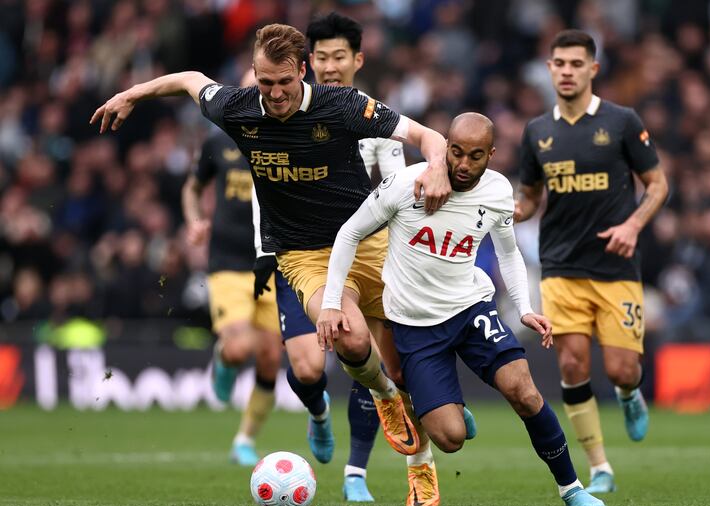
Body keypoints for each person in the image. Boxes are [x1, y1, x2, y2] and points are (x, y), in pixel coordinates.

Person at [91, 23, 451, 480]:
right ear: (253, 74)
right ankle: (384, 398)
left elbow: (426, 135)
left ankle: (416, 432)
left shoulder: (341, 105)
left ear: (302, 71)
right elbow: (187, 79)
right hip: (304, 255)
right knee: (351, 340)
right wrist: (131, 94)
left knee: (405, 365)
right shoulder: (237, 108)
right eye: (265, 83)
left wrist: (437, 166)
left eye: (284, 82)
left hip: (369, 241)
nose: (275, 94)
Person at [317, 112, 605, 506]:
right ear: (445, 148)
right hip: (416, 327)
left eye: (475, 156)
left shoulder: (499, 191)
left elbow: (509, 252)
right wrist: (331, 303)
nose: (464, 165)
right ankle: (451, 409)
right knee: (450, 438)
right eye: (456, 153)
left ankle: (571, 488)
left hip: (471, 310)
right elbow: (349, 233)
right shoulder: (405, 183)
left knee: (523, 391)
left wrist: (524, 308)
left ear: (491, 154)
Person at [305, 11, 475, 504]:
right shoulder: (289, 116)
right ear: (307, 62)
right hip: (311, 253)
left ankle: (409, 464)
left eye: (339, 56)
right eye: (321, 57)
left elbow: (396, 183)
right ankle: (345, 450)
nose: (330, 66)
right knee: (321, 362)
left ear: (357, 59)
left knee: (395, 367)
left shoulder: (374, 118)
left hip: (374, 246)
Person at [514, 30, 669, 494]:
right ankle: (600, 466)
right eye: (558, 63)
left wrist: (633, 226)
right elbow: (530, 197)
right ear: (549, 68)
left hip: (616, 268)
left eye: (575, 64)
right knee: (573, 366)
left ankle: (628, 393)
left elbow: (657, 184)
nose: (566, 71)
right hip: (560, 268)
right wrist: (509, 210)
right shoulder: (537, 132)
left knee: (622, 368)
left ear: (592, 69)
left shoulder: (622, 122)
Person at [182, 129, 317, 467]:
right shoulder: (218, 143)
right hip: (227, 263)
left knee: (271, 356)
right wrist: (194, 220)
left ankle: (245, 439)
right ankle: (224, 356)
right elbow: (192, 187)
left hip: (271, 260)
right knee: (240, 346)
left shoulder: (284, 141)